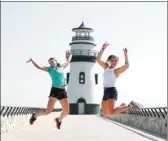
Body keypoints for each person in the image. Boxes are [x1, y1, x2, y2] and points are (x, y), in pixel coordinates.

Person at [26, 53, 72, 129]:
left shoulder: (61, 67)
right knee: (48, 111)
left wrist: (70, 55)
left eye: (52, 61)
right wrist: (32, 60)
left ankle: (58, 120)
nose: (51, 63)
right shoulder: (50, 69)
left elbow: (69, 61)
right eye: (50, 62)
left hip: (63, 91)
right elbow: (38, 67)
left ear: (56, 61)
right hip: (55, 91)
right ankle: (35, 115)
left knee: (66, 112)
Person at [96, 42, 141, 117]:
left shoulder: (116, 71)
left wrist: (125, 54)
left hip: (111, 91)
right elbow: (98, 59)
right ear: (109, 60)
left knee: (111, 112)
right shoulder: (106, 67)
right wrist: (103, 48)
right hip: (105, 91)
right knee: (105, 113)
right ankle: (124, 106)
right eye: (113, 60)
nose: (114, 62)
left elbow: (126, 66)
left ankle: (129, 106)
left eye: (116, 61)